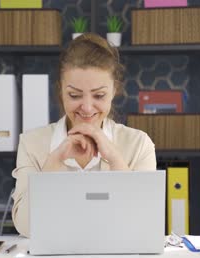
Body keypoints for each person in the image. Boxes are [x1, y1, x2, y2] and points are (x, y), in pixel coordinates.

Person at [11, 33, 156, 237]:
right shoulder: (32, 144)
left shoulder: (139, 144)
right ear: (61, 90)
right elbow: (26, 227)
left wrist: (114, 158)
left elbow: (145, 223)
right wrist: (55, 160)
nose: (87, 108)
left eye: (99, 95)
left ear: (114, 90)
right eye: (74, 95)